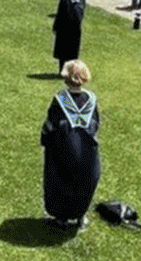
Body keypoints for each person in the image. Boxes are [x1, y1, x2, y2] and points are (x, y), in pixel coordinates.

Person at [40, 60, 100, 231]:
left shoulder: (60, 99)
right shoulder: (91, 99)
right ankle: (81, 216)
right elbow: (95, 124)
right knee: (84, 183)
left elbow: (50, 124)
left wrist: (45, 141)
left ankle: (61, 218)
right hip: (87, 151)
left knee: (60, 182)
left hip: (62, 149)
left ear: (66, 78)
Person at [52, 0, 86, 72]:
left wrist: (55, 27)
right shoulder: (80, 0)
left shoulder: (65, 0)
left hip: (64, 28)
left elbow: (60, 15)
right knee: (72, 51)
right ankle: (71, 71)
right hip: (76, 29)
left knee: (63, 50)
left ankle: (62, 70)